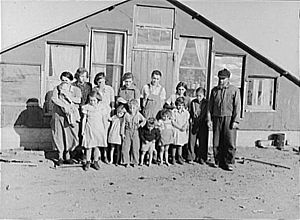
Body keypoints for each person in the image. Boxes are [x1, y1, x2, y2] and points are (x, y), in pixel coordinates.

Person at [208, 68, 241, 171]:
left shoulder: (234, 90)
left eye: (223, 79)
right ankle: (218, 161)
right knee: (216, 141)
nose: (221, 81)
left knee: (230, 141)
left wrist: (235, 120)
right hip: (217, 118)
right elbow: (210, 106)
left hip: (229, 118)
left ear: (228, 79)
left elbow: (237, 106)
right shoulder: (214, 90)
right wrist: (209, 119)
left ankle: (229, 162)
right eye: (220, 79)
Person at [51, 71, 82, 165]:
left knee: (71, 135)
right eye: (63, 80)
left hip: (71, 115)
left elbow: (79, 100)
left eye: (66, 80)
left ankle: (68, 156)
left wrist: (69, 97)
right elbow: (54, 99)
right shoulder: (57, 88)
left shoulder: (76, 89)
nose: (64, 82)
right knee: (59, 134)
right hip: (59, 114)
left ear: (71, 81)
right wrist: (63, 105)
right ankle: (60, 156)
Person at [81, 91, 109, 170]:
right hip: (89, 128)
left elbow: (104, 119)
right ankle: (88, 161)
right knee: (88, 146)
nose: (92, 102)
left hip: (99, 128)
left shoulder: (101, 107)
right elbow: (84, 119)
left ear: (98, 100)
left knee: (97, 146)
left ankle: (96, 161)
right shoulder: (87, 107)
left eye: (94, 100)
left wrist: (105, 129)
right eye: (91, 100)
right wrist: (82, 130)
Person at [93, 72, 114, 163]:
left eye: (102, 81)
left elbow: (112, 101)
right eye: (99, 82)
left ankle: (105, 154)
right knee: (97, 134)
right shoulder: (95, 89)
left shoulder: (109, 89)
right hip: (97, 114)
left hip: (107, 114)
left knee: (105, 135)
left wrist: (112, 114)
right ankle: (96, 156)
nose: (101, 83)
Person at [187, 87, 210, 164]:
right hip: (194, 123)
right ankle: (191, 156)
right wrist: (191, 117)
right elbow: (190, 112)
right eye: (197, 95)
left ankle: (202, 157)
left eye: (200, 96)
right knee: (192, 141)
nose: (198, 97)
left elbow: (208, 113)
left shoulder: (207, 103)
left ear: (204, 95)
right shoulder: (193, 102)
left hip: (203, 123)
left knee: (203, 141)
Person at [121, 99, 146, 168]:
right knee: (126, 147)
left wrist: (140, 125)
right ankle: (126, 161)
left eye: (133, 108)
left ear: (137, 108)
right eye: (130, 108)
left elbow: (144, 120)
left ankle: (135, 161)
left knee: (135, 147)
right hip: (127, 131)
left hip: (135, 131)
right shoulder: (126, 115)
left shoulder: (138, 114)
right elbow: (123, 124)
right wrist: (122, 133)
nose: (132, 109)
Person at [171, 97, 190, 165]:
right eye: (179, 105)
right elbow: (173, 122)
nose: (180, 107)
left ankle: (179, 156)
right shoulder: (174, 111)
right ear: (176, 105)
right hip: (176, 129)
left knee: (180, 144)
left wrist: (184, 127)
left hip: (182, 130)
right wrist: (179, 127)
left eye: (182, 105)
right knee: (175, 144)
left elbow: (187, 121)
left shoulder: (186, 112)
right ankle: (173, 157)